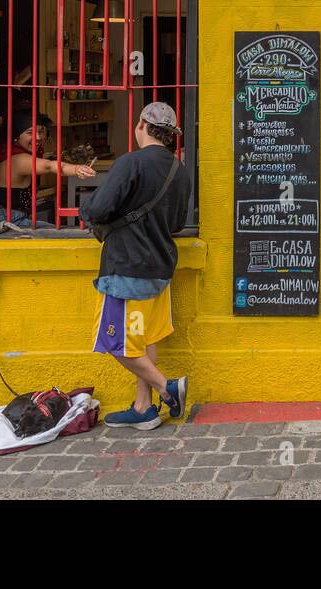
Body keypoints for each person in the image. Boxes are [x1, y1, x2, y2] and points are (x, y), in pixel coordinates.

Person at [81, 102, 193, 430]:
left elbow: (99, 209)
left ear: (141, 124)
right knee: (145, 340)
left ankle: (166, 387)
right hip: (160, 267)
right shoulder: (178, 169)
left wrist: (86, 209)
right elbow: (175, 223)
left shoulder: (130, 163)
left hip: (127, 267)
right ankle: (144, 408)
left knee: (114, 342)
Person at [0, 107, 96, 227]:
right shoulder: (18, 159)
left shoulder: (9, 153)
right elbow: (48, 166)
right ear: (16, 135)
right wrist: (76, 169)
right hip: (11, 221)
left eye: (41, 131)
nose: (38, 137)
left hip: (13, 218)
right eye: (30, 132)